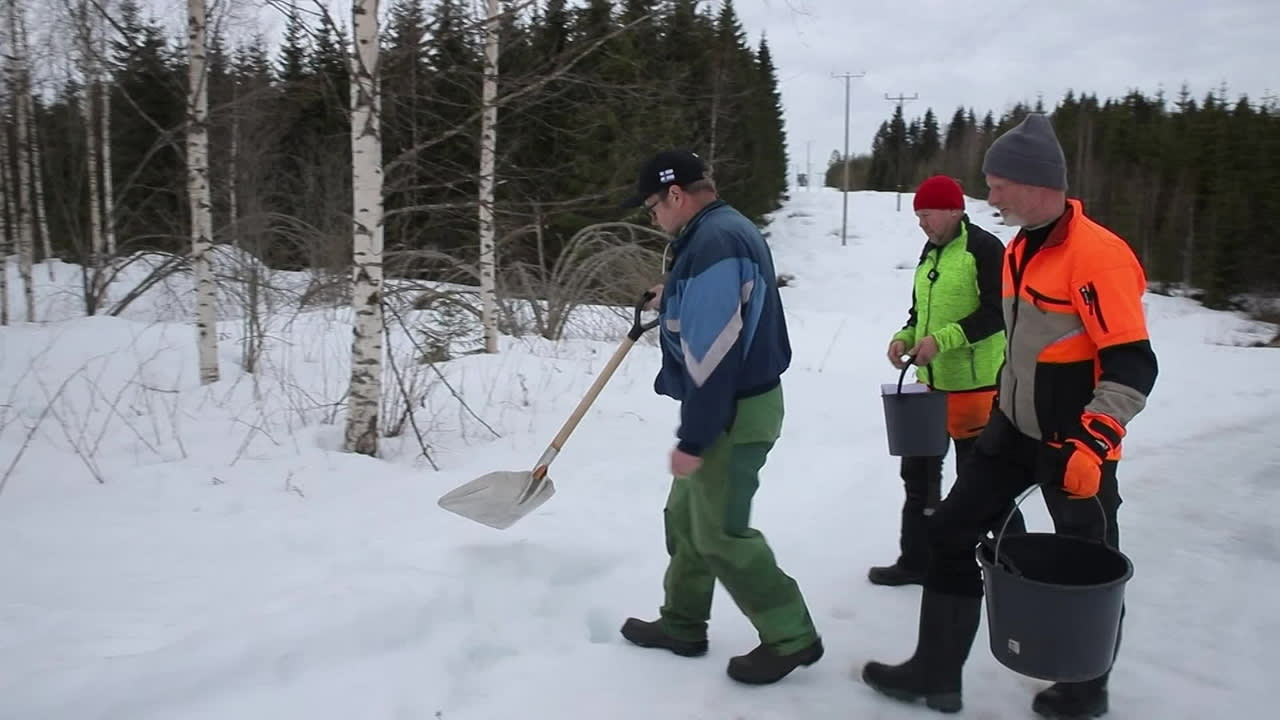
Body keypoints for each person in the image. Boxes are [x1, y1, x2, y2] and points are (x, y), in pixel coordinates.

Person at [861, 113, 1158, 718]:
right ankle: (935, 675)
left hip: (1074, 447)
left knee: (1086, 563)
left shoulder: (1098, 257)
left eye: (997, 184)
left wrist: (1092, 442)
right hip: (1009, 430)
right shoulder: (1022, 247)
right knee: (949, 532)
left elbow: (1133, 365)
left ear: (1035, 182)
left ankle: (1084, 690)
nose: (989, 196)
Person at [616, 149, 823, 685]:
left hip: (732, 411)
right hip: (732, 405)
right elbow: (726, 303)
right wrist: (676, 291)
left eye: (652, 207)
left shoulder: (713, 243)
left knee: (720, 534)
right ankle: (682, 622)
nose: (653, 217)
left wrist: (696, 436)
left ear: (676, 196)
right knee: (686, 518)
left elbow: (715, 357)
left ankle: (791, 635)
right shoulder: (720, 231)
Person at [870, 175, 1028, 587]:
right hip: (928, 390)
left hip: (975, 390)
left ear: (954, 210)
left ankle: (1016, 567)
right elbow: (917, 313)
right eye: (918, 216)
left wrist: (943, 341)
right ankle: (915, 562)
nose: (921, 223)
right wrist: (904, 337)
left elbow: (998, 313)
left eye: (927, 214)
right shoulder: (930, 253)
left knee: (983, 486)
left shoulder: (984, 249)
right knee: (918, 480)